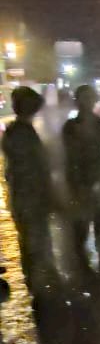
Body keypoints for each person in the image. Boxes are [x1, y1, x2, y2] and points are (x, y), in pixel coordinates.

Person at [62, 84, 100, 274]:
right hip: (79, 185)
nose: (86, 103)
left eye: (90, 98)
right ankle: (81, 267)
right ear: (77, 101)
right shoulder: (70, 128)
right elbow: (66, 157)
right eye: (83, 98)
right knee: (80, 228)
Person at [1, 86, 57, 296]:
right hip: (28, 199)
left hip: (25, 198)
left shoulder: (20, 130)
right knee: (35, 242)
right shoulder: (20, 133)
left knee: (32, 241)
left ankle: (39, 283)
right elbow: (31, 169)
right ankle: (40, 287)